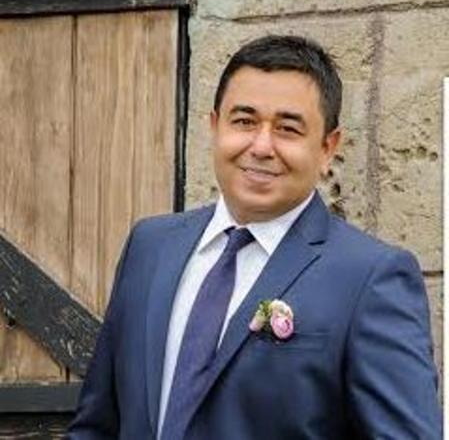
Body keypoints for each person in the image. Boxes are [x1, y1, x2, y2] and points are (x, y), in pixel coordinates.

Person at [67, 35, 441, 439]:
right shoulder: (150, 247)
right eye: (244, 122)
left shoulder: (370, 278)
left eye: (287, 129)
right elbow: (97, 425)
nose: (261, 146)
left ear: (327, 148)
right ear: (215, 126)